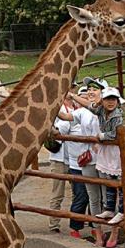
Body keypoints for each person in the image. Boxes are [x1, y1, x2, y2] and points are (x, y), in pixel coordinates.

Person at [71, 86, 125, 248]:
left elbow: (116, 133)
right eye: (108, 99)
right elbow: (88, 105)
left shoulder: (117, 115)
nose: (110, 102)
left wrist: (101, 136)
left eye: (113, 99)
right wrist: (72, 95)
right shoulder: (100, 111)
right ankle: (109, 210)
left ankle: (120, 212)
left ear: (117, 101)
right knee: (109, 184)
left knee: (119, 186)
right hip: (106, 155)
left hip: (117, 154)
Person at [59, 78, 104, 246]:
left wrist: (72, 95)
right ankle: (83, 229)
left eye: (94, 90)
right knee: (87, 196)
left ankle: (102, 228)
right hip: (85, 162)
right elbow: (64, 117)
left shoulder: (105, 108)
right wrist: (54, 101)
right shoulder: (81, 113)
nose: (90, 93)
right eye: (89, 90)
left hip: (105, 161)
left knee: (105, 198)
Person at [47, 93, 73, 233]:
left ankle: (78, 222)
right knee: (58, 192)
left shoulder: (77, 107)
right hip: (59, 157)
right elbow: (54, 130)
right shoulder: (55, 108)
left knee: (79, 192)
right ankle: (54, 224)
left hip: (75, 158)